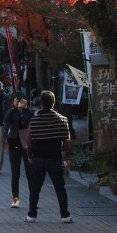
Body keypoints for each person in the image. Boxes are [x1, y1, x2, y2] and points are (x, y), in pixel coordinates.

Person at [25, 90, 73, 224]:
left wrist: (30, 155)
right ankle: (65, 215)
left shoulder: (34, 120)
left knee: (35, 188)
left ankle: (31, 215)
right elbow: (67, 141)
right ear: (54, 102)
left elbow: (29, 140)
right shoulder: (62, 119)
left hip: (39, 158)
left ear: (41, 103)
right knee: (60, 187)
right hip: (55, 157)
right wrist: (67, 157)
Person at [5, 95, 34, 208]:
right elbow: (6, 119)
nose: (19, 103)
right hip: (14, 143)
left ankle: (33, 197)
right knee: (15, 172)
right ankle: (15, 198)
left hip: (27, 144)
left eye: (21, 101)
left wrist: (25, 108)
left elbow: (32, 122)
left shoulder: (29, 113)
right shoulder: (12, 112)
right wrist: (14, 107)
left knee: (29, 172)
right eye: (17, 101)